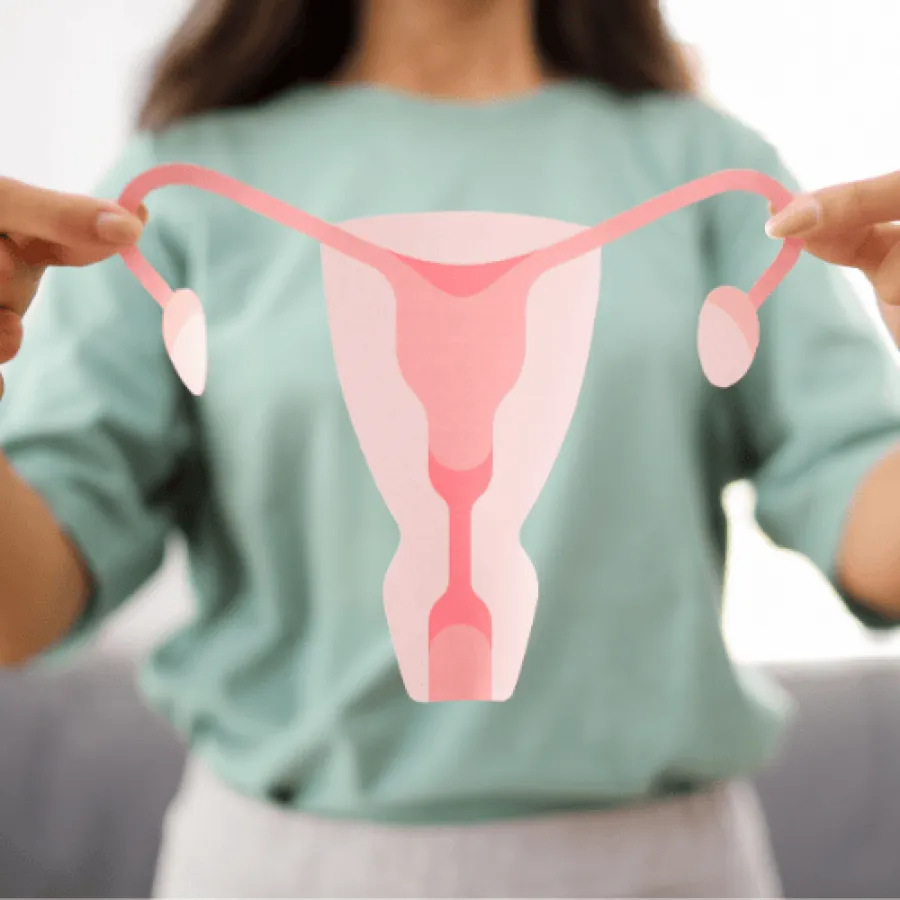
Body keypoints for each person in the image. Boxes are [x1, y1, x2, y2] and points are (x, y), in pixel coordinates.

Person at [1, 1, 900, 896]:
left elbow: (870, 525)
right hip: (283, 867)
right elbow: (19, 605)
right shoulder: (184, 190)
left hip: (659, 869)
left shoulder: (709, 172)